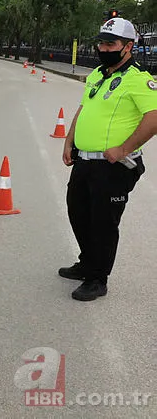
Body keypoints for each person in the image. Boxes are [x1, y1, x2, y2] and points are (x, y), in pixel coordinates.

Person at [60, 17, 157, 301]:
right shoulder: (98, 74)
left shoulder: (139, 80)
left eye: (110, 43)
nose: (103, 47)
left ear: (128, 46)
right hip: (84, 161)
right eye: (101, 42)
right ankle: (87, 263)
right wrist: (69, 140)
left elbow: (153, 119)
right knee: (78, 212)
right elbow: (83, 108)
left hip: (113, 166)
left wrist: (124, 149)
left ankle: (97, 278)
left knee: (102, 222)